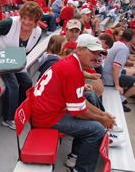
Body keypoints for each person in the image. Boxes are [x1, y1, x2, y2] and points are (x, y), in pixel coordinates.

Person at [26, 34, 116, 172]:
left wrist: (102, 114)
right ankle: (80, 169)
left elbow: (81, 102)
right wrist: (101, 119)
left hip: (46, 111)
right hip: (46, 118)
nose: (96, 56)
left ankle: (75, 155)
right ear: (79, 49)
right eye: (92, 51)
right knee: (96, 129)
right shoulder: (72, 69)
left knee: (91, 103)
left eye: (99, 53)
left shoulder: (72, 63)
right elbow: (78, 112)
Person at [0, 1, 43, 130]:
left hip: (15, 58)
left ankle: (20, 109)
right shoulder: (10, 22)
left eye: (31, 19)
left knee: (27, 82)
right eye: (25, 18)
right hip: (1, 56)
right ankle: (9, 118)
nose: (26, 22)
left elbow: (27, 50)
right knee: (13, 85)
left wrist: (18, 62)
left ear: (36, 21)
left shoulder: (38, 32)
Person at [102, 28, 135, 112]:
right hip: (109, 78)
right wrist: (117, 85)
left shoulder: (118, 43)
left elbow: (120, 63)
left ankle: (122, 97)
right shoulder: (123, 48)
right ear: (132, 38)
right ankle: (121, 100)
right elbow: (115, 67)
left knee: (130, 72)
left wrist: (132, 64)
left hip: (106, 73)